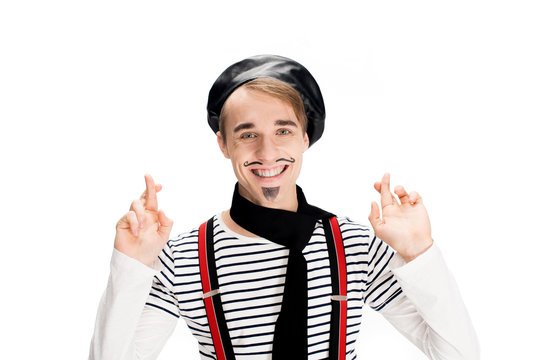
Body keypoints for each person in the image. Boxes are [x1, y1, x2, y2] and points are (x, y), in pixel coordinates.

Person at [89, 55, 479, 360]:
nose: (267, 152)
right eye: (248, 135)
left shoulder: (355, 245)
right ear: (224, 145)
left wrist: (419, 253)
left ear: (305, 138)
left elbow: (459, 355)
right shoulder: (184, 258)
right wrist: (131, 266)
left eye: (283, 130)